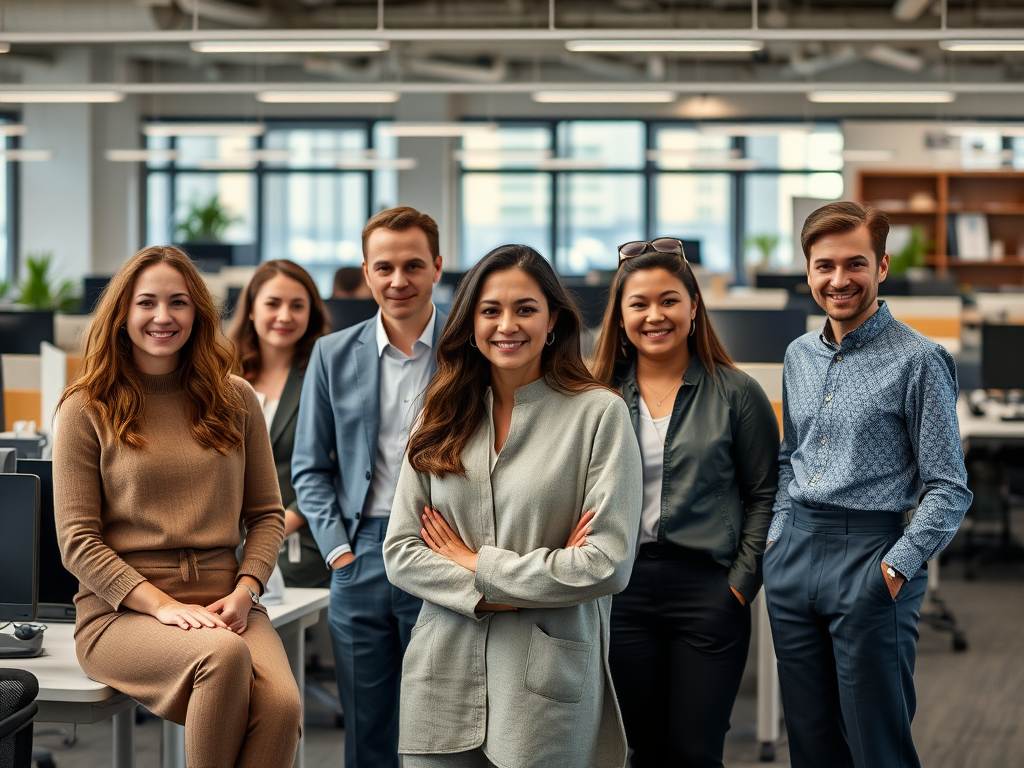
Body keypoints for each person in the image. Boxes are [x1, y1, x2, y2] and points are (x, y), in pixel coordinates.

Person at [383, 244, 644, 768]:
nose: (508, 324)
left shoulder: (599, 415)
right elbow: (402, 552)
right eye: (490, 310)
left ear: (553, 322)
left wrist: (474, 562)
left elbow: (604, 564)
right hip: (444, 673)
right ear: (470, 322)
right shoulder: (440, 412)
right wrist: (493, 594)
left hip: (541, 681)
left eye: (525, 308)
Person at [53, 245, 301, 768]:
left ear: (198, 314)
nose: (163, 317)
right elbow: (77, 540)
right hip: (122, 611)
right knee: (222, 656)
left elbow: (266, 515)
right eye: (147, 302)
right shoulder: (85, 406)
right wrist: (164, 606)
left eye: (179, 303)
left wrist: (246, 589)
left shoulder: (235, 399)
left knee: (281, 706)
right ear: (122, 313)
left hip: (225, 602)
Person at [762, 202, 973, 768]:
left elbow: (949, 486)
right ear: (807, 271)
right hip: (795, 557)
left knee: (877, 747)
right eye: (824, 266)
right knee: (810, 745)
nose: (839, 280)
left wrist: (895, 568)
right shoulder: (798, 354)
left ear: (880, 266)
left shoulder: (919, 359)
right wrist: (778, 540)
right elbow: (790, 458)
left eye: (854, 264)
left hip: (872, 557)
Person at [591, 238, 779, 768]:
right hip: (619, 591)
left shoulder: (736, 393)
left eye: (670, 300)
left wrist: (740, 585)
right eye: (639, 303)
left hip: (708, 591)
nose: (656, 315)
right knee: (642, 750)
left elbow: (767, 495)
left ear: (694, 307)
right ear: (621, 315)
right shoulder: (594, 396)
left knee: (696, 752)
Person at [292, 206, 447, 768]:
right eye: (384, 267)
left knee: (440, 722)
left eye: (412, 265)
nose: (398, 281)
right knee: (366, 727)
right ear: (366, 271)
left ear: (436, 266)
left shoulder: (470, 346)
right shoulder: (333, 354)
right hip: (358, 554)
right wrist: (337, 551)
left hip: (442, 551)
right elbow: (310, 468)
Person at [227, 259, 332, 588]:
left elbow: (338, 466)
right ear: (252, 310)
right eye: (273, 303)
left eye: (297, 306)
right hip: (221, 549)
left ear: (310, 315)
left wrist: (272, 529)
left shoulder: (325, 376)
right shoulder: (220, 375)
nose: (285, 316)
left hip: (296, 548)